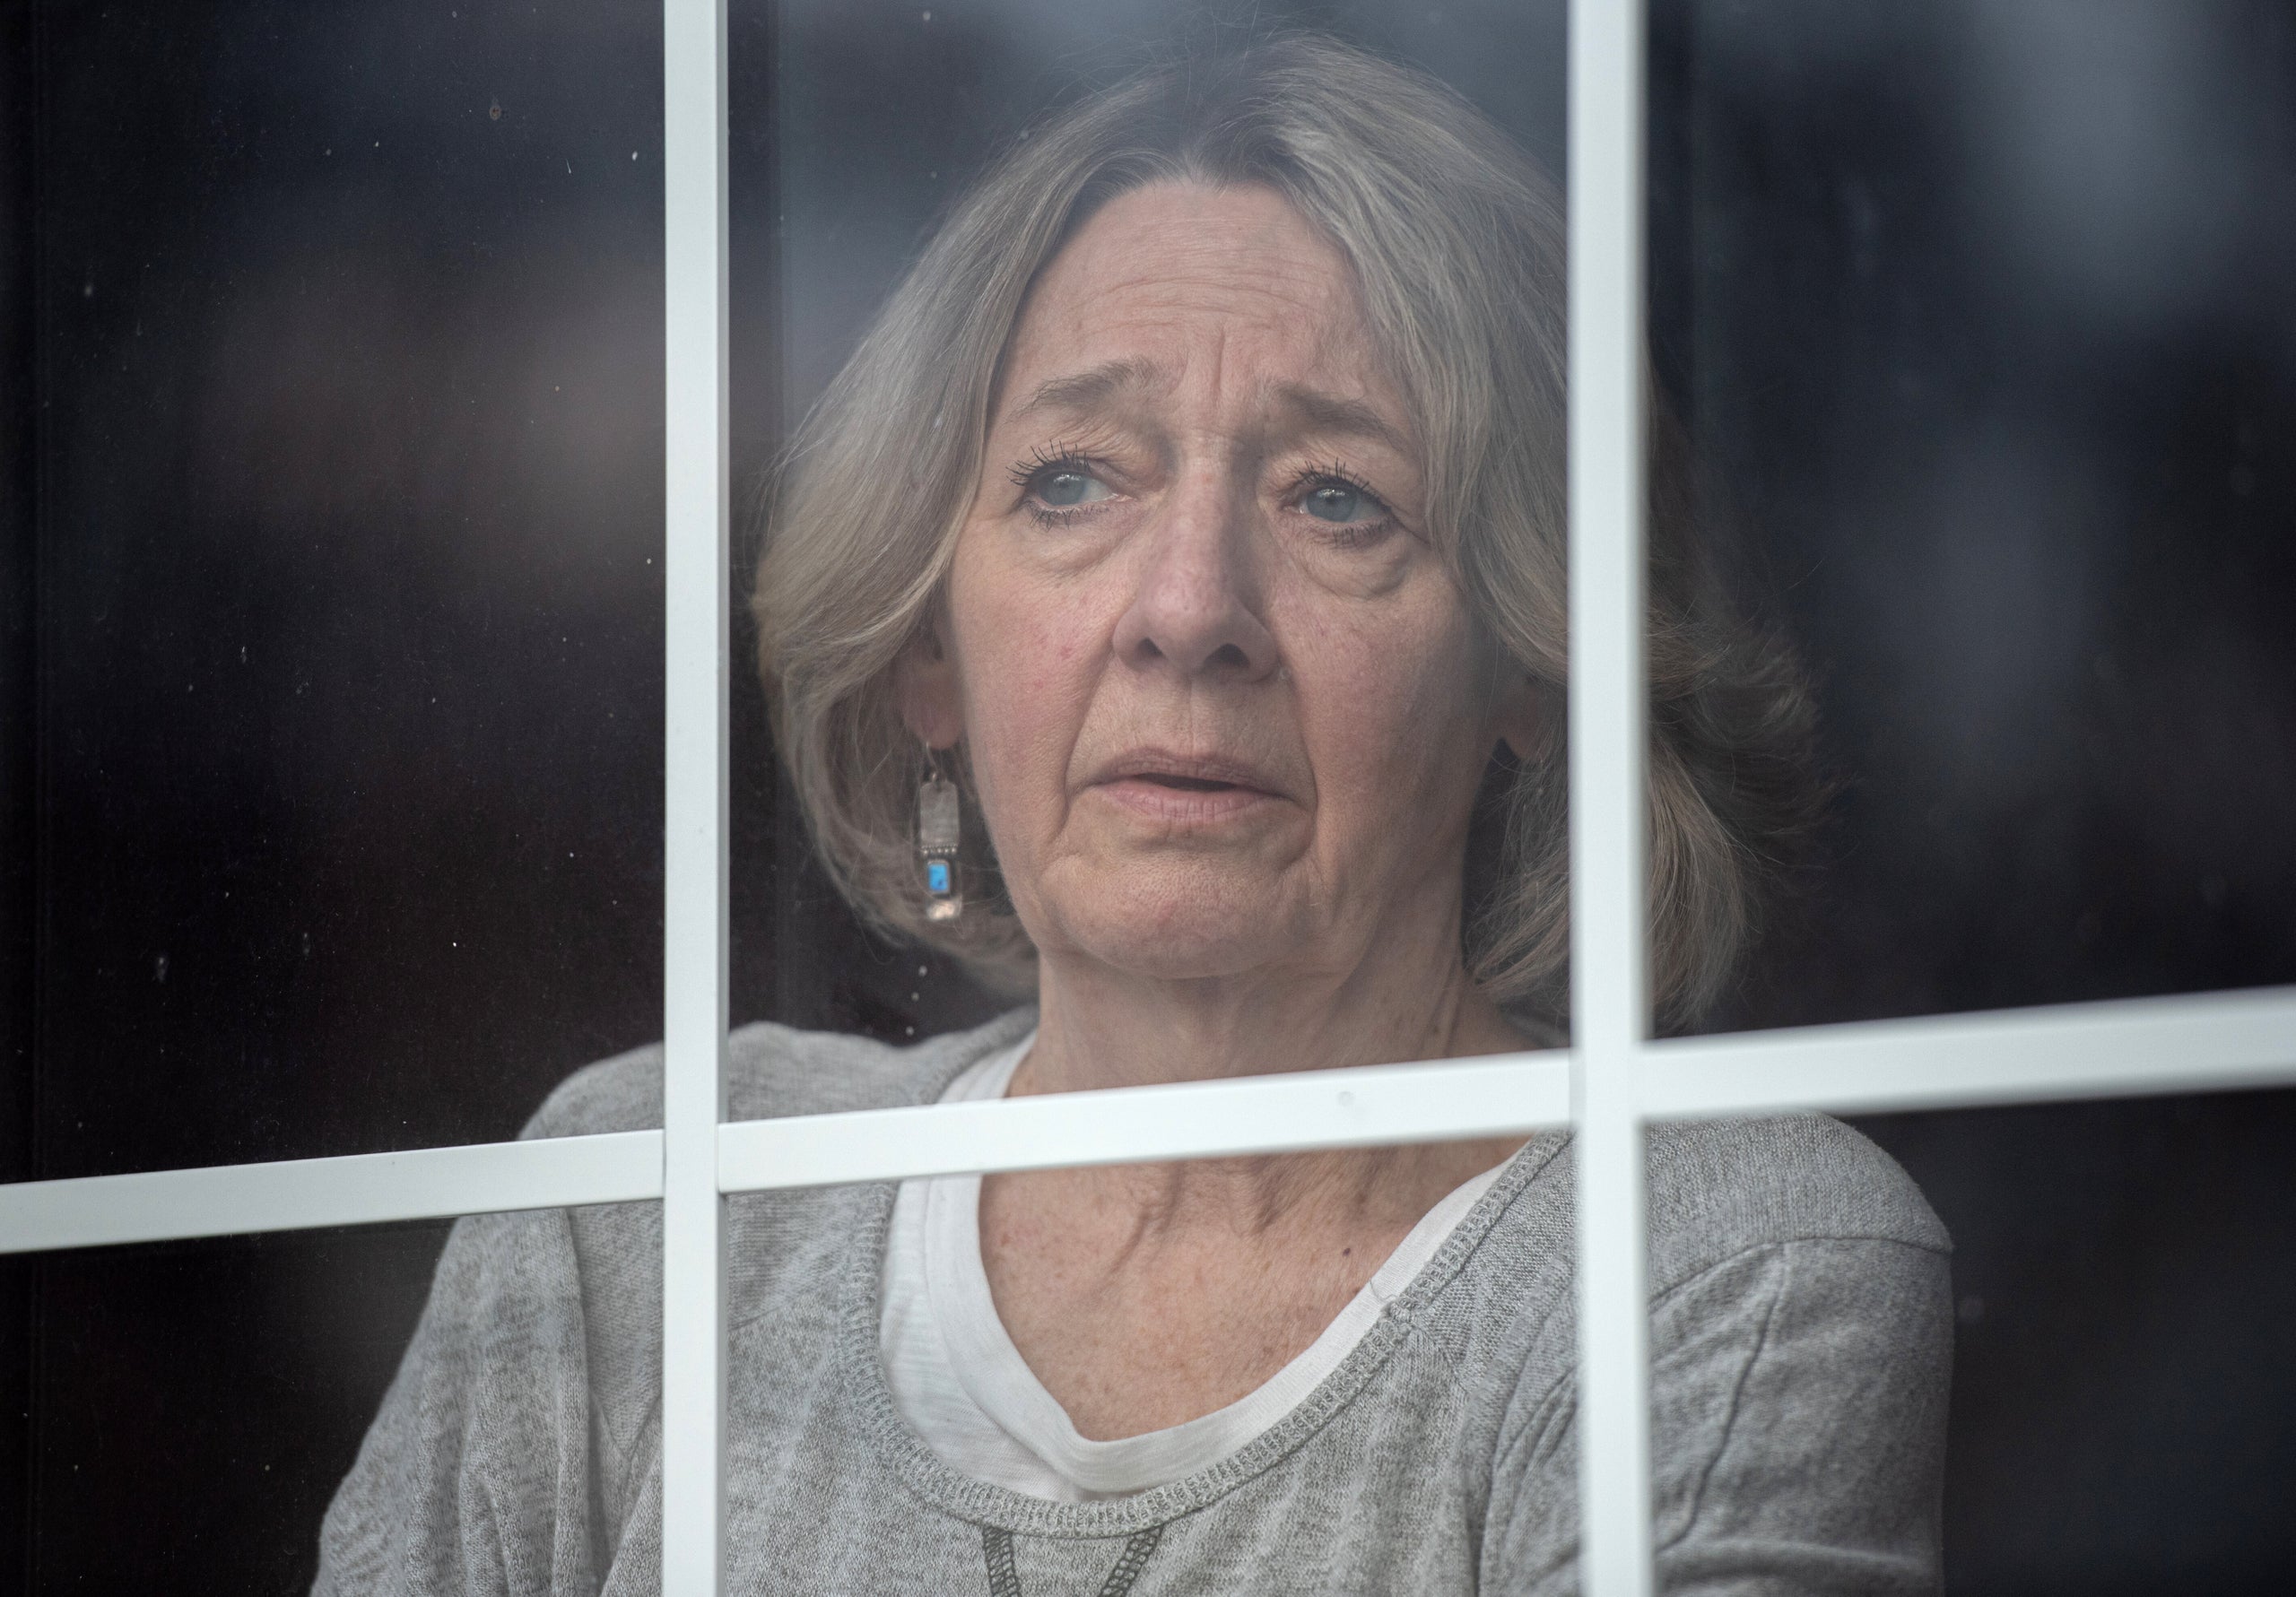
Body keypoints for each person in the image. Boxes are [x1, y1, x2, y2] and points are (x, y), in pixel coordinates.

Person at [317, 34, 1948, 1596]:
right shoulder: (643, 1213)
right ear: (927, 653)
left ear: (1531, 664)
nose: (1188, 609)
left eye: (1338, 499)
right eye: (1074, 480)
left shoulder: (1716, 1266)